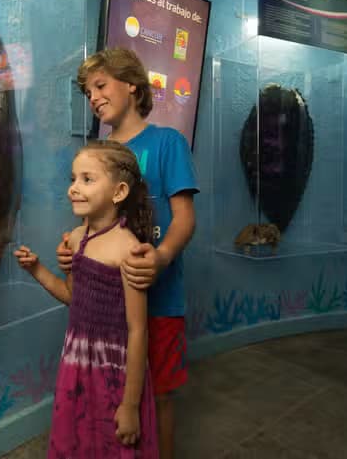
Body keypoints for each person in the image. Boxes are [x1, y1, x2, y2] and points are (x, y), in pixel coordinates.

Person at [57, 48, 198, 459]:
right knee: (108, 404)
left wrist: (162, 256)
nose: (93, 97)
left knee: (160, 395)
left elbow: (185, 218)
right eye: (88, 92)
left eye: (100, 85)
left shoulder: (168, 142)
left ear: (133, 85)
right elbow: (88, 223)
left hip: (159, 300)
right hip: (105, 312)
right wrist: (72, 251)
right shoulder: (95, 153)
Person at [15, 140, 159, 458]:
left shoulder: (127, 249)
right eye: (73, 179)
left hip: (113, 370)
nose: (73, 188)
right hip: (77, 364)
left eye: (87, 179)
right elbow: (72, 297)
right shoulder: (77, 238)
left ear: (119, 192)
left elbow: (138, 330)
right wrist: (37, 269)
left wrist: (130, 405)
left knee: (112, 443)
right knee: (78, 441)